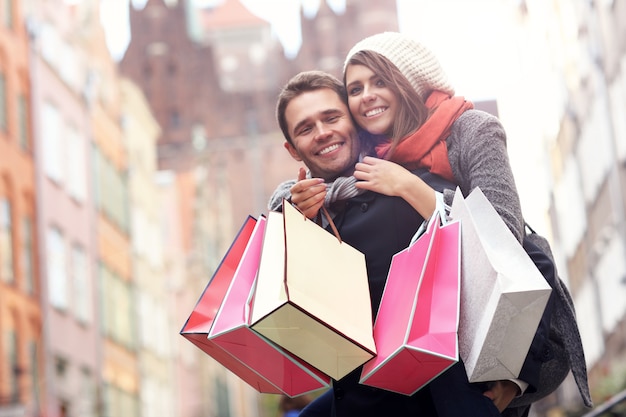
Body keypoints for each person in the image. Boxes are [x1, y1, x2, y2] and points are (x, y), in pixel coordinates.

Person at [270, 32, 590, 417]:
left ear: (408, 80)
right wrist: (287, 202)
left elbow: (507, 244)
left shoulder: (464, 132)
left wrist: (412, 189)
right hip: (389, 376)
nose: (367, 95)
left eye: (380, 80)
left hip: (478, 348)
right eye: (355, 88)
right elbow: (320, 189)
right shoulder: (369, 168)